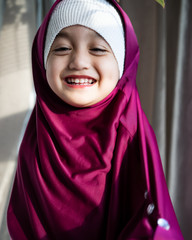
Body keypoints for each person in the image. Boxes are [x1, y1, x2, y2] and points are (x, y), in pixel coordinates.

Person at [7, 0, 184, 239]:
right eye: (61, 49)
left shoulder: (128, 135)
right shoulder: (36, 136)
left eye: (98, 49)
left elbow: (151, 223)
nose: (78, 62)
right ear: (42, 61)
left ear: (122, 62)